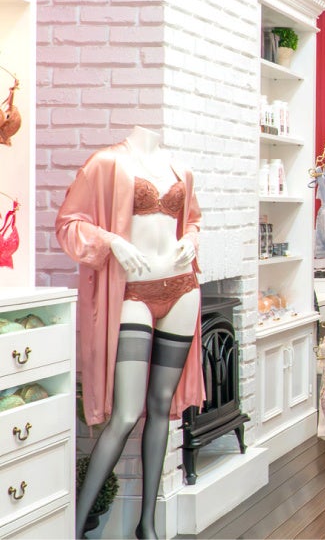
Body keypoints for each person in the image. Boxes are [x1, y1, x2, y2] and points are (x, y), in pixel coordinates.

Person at [56, 126, 204, 540]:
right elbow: (68, 224)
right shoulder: (106, 163)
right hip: (133, 292)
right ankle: (74, 528)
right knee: (125, 414)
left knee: (161, 406)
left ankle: (147, 525)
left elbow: (193, 220)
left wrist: (192, 239)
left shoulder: (179, 168)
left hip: (182, 288)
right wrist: (112, 242)